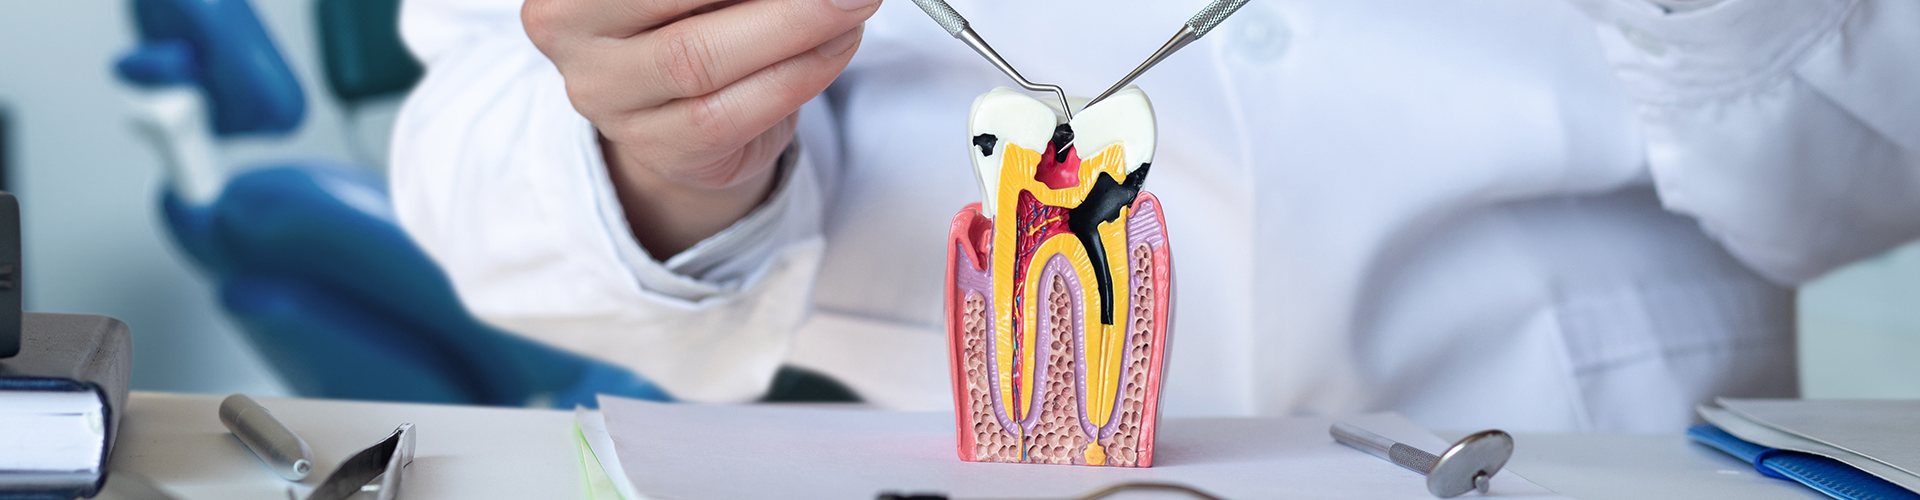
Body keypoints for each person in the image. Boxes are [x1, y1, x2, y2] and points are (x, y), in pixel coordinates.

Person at [390, 0, 1920, 432]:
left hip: (1586, 439)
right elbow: (481, 108)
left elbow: (1875, 169)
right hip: (931, 437)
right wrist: (668, 148)